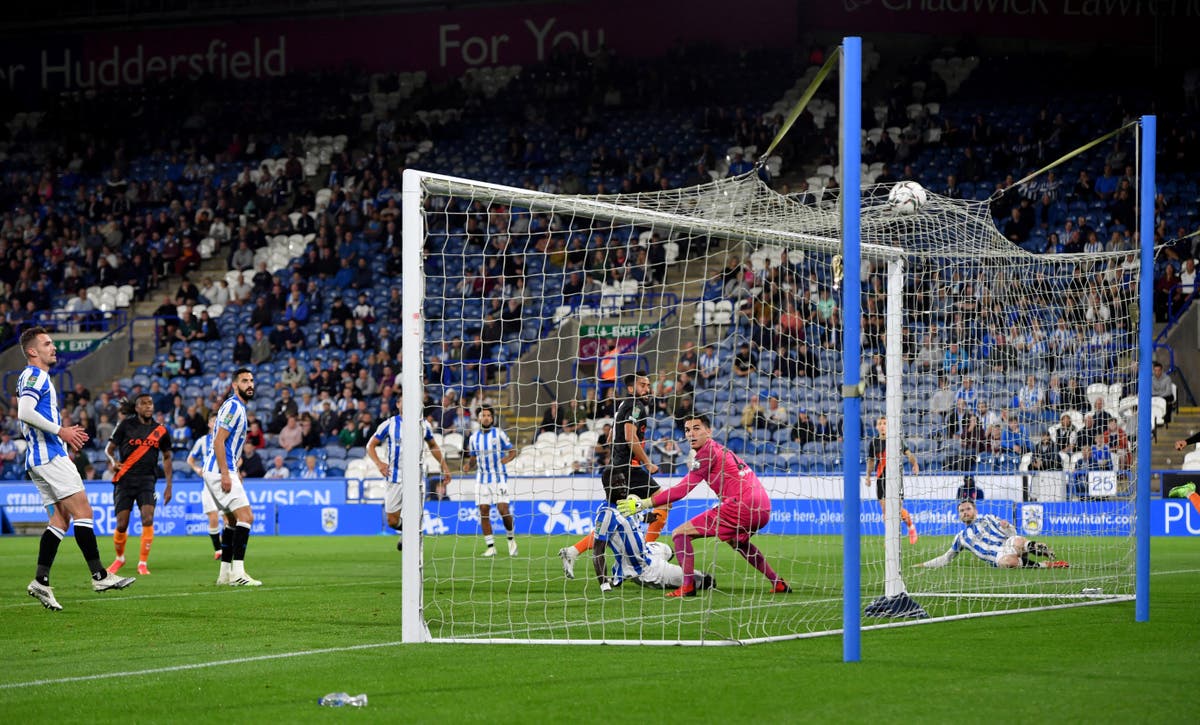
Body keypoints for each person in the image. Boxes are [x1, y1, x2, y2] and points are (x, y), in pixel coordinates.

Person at [18, 327, 136, 610]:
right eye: (47, 344)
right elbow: (24, 411)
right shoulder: (35, 375)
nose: (53, 348)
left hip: (38, 460)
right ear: (32, 351)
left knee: (60, 521)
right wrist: (61, 431)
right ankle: (100, 575)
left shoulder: (34, 376)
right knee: (84, 512)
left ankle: (40, 581)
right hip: (50, 457)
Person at [619, 414, 789, 598]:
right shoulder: (720, 450)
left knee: (680, 534)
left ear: (709, 431)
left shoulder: (707, 453)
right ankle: (777, 582)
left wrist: (644, 503)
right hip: (763, 507)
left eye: (696, 428)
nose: (690, 434)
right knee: (738, 542)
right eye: (687, 430)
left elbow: (681, 490)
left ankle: (688, 586)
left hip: (741, 505)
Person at [558, 374, 668, 578]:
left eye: (648, 385)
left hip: (617, 468)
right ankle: (646, 556)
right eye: (642, 385)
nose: (647, 389)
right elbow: (629, 436)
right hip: (629, 468)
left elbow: (611, 436)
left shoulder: (622, 407)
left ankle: (572, 552)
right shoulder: (636, 406)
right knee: (664, 501)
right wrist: (647, 462)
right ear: (631, 389)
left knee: (615, 518)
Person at [592, 471, 715, 593]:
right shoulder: (606, 514)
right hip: (645, 570)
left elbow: (637, 518)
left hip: (648, 551)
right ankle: (632, 574)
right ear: (607, 487)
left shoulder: (624, 505)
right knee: (706, 581)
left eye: (624, 482)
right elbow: (597, 551)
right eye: (617, 483)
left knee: (669, 550)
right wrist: (604, 585)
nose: (623, 486)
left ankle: (626, 572)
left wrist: (649, 516)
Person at [366, 392, 452, 551]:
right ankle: (408, 533)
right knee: (392, 520)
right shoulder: (389, 424)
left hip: (416, 478)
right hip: (394, 477)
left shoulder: (423, 425)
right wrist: (379, 464)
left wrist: (444, 467)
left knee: (414, 514)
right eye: (402, 401)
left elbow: (433, 445)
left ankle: (412, 538)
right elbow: (370, 446)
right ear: (398, 404)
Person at [104, 393, 174, 576]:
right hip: (125, 479)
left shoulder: (161, 430)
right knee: (121, 524)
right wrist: (113, 460)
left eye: (150, 403)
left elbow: (167, 456)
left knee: (148, 518)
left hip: (147, 480)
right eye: (144, 403)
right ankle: (120, 558)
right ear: (136, 407)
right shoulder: (125, 425)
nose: (149, 406)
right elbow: (108, 449)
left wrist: (169, 485)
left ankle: (143, 562)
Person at [203, 368, 261, 586]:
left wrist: (233, 472)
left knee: (232, 521)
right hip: (219, 470)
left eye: (252, 381)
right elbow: (219, 441)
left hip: (221, 469)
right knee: (247, 517)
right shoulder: (234, 407)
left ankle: (224, 574)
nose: (250, 384)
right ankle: (239, 573)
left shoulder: (237, 407)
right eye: (245, 381)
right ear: (235, 385)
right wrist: (226, 474)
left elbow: (227, 445)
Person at [918, 499, 1069, 570]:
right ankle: (1044, 565)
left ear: (975, 511)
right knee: (1007, 562)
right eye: (962, 511)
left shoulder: (989, 518)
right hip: (998, 557)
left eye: (968, 509)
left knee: (1017, 541)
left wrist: (1007, 526)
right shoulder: (961, 538)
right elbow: (946, 558)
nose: (965, 512)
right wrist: (924, 564)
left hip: (1008, 543)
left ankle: (1038, 548)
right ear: (959, 515)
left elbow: (1012, 533)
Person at [463, 406, 518, 557]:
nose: (486, 417)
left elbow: (513, 451)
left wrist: (505, 460)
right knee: (483, 512)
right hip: (481, 480)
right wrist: (469, 465)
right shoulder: (473, 438)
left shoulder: (499, 434)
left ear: (492, 418)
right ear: (479, 418)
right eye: (483, 415)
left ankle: (511, 539)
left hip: (498, 478)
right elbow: (473, 458)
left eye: (488, 415)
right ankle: (491, 546)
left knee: (503, 510)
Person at [865, 417, 920, 545]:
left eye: (885, 423)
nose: (882, 426)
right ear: (877, 427)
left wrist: (915, 464)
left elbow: (908, 453)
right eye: (880, 423)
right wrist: (868, 476)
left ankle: (910, 526)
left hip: (895, 479)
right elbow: (871, 461)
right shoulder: (874, 443)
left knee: (896, 509)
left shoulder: (896, 440)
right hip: (881, 478)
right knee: (885, 510)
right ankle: (890, 537)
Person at [187, 414, 223, 560]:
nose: (216, 423)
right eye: (213, 421)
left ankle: (227, 546)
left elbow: (237, 459)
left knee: (228, 518)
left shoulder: (225, 439)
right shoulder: (202, 441)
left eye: (218, 421)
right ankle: (218, 549)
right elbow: (190, 459)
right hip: (208, 484)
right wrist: (197, 469)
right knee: (213, 517)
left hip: (223, 481)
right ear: (209, 424)